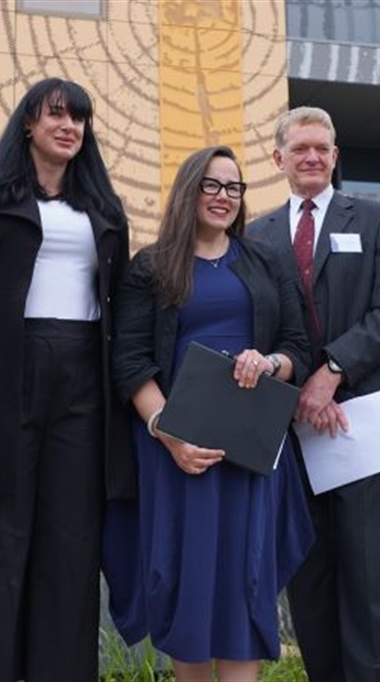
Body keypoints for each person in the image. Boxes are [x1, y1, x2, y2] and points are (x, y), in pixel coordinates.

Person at [0, 78, 131, 681]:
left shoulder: (104, 210)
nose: (70, 127)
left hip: (84, 381)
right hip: (3, 380)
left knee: (70, 548)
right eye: (56, 115)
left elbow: (118, 303)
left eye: (79, 119)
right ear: (28, 125)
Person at [105, 145, 314, 682]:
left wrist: (269, 361)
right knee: (189, 580)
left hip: (250, 449)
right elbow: (129, 361)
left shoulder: (266, 261)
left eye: (234, 187)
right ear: (189, 189)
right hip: (179, 452)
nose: (224, 198)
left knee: (246, 579)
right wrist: (168, 434)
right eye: (213, 185)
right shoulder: (151, 267)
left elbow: (297, 345)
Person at [246, 106, 380, 681]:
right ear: (279, 159)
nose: (312, 157)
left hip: (362, 421)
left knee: (373, 577)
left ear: (336, 156)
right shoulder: (255, 236)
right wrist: (294, 389)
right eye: (300, 149)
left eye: (322, 148)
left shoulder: (375, 219)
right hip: (290, 431)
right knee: (309, 576)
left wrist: (331, 370)